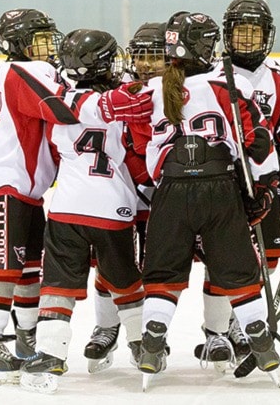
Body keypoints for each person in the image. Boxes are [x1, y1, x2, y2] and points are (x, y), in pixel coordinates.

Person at [0, 9, 152, 386]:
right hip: (5, 183)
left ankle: (27, 339)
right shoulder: (23, 70)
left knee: (29, 267)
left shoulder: (28, 72)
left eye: (49, 38)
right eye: (38, 39)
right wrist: (108, 100)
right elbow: (59, 109)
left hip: (27, 190)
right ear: (16, 45)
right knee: (2, 268)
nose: (47, 46)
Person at [137, 11, 280, 389]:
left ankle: (153, 340)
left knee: (164, 274)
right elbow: (259, 141)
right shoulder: (227, 83)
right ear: (199, 44)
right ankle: (260, 341)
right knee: (237, 271)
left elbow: (139, 145)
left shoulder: (151, 89)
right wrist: (263, 188)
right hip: (220, 188)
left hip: (170, 189)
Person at [17, 28, 149, 393]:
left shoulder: (60, 101)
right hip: (114, 207)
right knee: (124, 280)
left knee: (57, 285)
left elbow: (54, 152)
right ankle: (144, 347)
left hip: (67, 208)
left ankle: (48, 353)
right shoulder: (118, 101)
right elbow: (138, 142)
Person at [193, 0, 280, 369]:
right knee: (222, 260)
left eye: (255, 32)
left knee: (265, 259)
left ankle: (242, 325)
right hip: (223, 182)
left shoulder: (276, 75)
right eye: (241, 31)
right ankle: (216, 333)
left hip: (262, 180)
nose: (249, 39)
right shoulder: (210, 72)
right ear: (228, 35)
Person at [81, 21, 167, 374]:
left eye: (155, 56)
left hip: (167, 195)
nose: (146, 64)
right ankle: (107, 325)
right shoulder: (116, 91)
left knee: (160, 269)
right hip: (121, 192)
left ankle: (159, 333)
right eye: (140, 56)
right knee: (111, 262)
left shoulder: (182, 92)